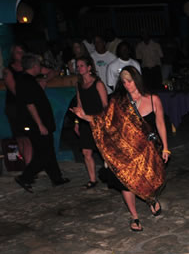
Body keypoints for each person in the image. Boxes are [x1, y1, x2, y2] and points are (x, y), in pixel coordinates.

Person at [72, 66, 169, 232]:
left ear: (137, 80)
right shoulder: (119, 101)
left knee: (148, 180)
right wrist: (84, 117)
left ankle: (151, 199)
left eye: (129, 81)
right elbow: (104, 121)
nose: (127, 85)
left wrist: (166, 148)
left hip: (147, 150)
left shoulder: (153, 99)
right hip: (124, 151)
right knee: (125, 181)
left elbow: (160, 123)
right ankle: (134, 216)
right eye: (123, 82)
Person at [14, 54, 70, 192]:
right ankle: (25, 177)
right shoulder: (26, 82)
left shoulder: (29, 80)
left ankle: (56, 178)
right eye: (39, 65)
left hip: (41, 122)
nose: (40, 67)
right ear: (34, 66)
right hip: (36, 124)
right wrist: (40, 124)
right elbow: (30, 104)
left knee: (48, 150)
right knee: (43, 154)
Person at [73, 56, 108, 188]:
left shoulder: (98, 83)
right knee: (86, 152)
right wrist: (77, 122)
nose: (79, 68)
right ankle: (92, 179)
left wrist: (103, 122)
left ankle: (113, 175)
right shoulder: (79, 85)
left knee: (104, 152)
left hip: (97, 121)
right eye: (78, 66)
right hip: (84, 122)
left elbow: (105, 105)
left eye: (82, 65)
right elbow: (79, 104)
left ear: (89, 68)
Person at [3, 44, 33, 168]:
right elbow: (16, 91)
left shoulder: (28, 67)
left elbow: (47, 71)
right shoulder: (8, 70)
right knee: (21, 138)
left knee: (28, 138)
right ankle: (28, 166)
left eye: (22, 51)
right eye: (17, 52)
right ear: (13, 55)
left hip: (25, 107)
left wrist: (44, 79)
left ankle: (29, 166)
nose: (20, 54)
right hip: (15, 108)